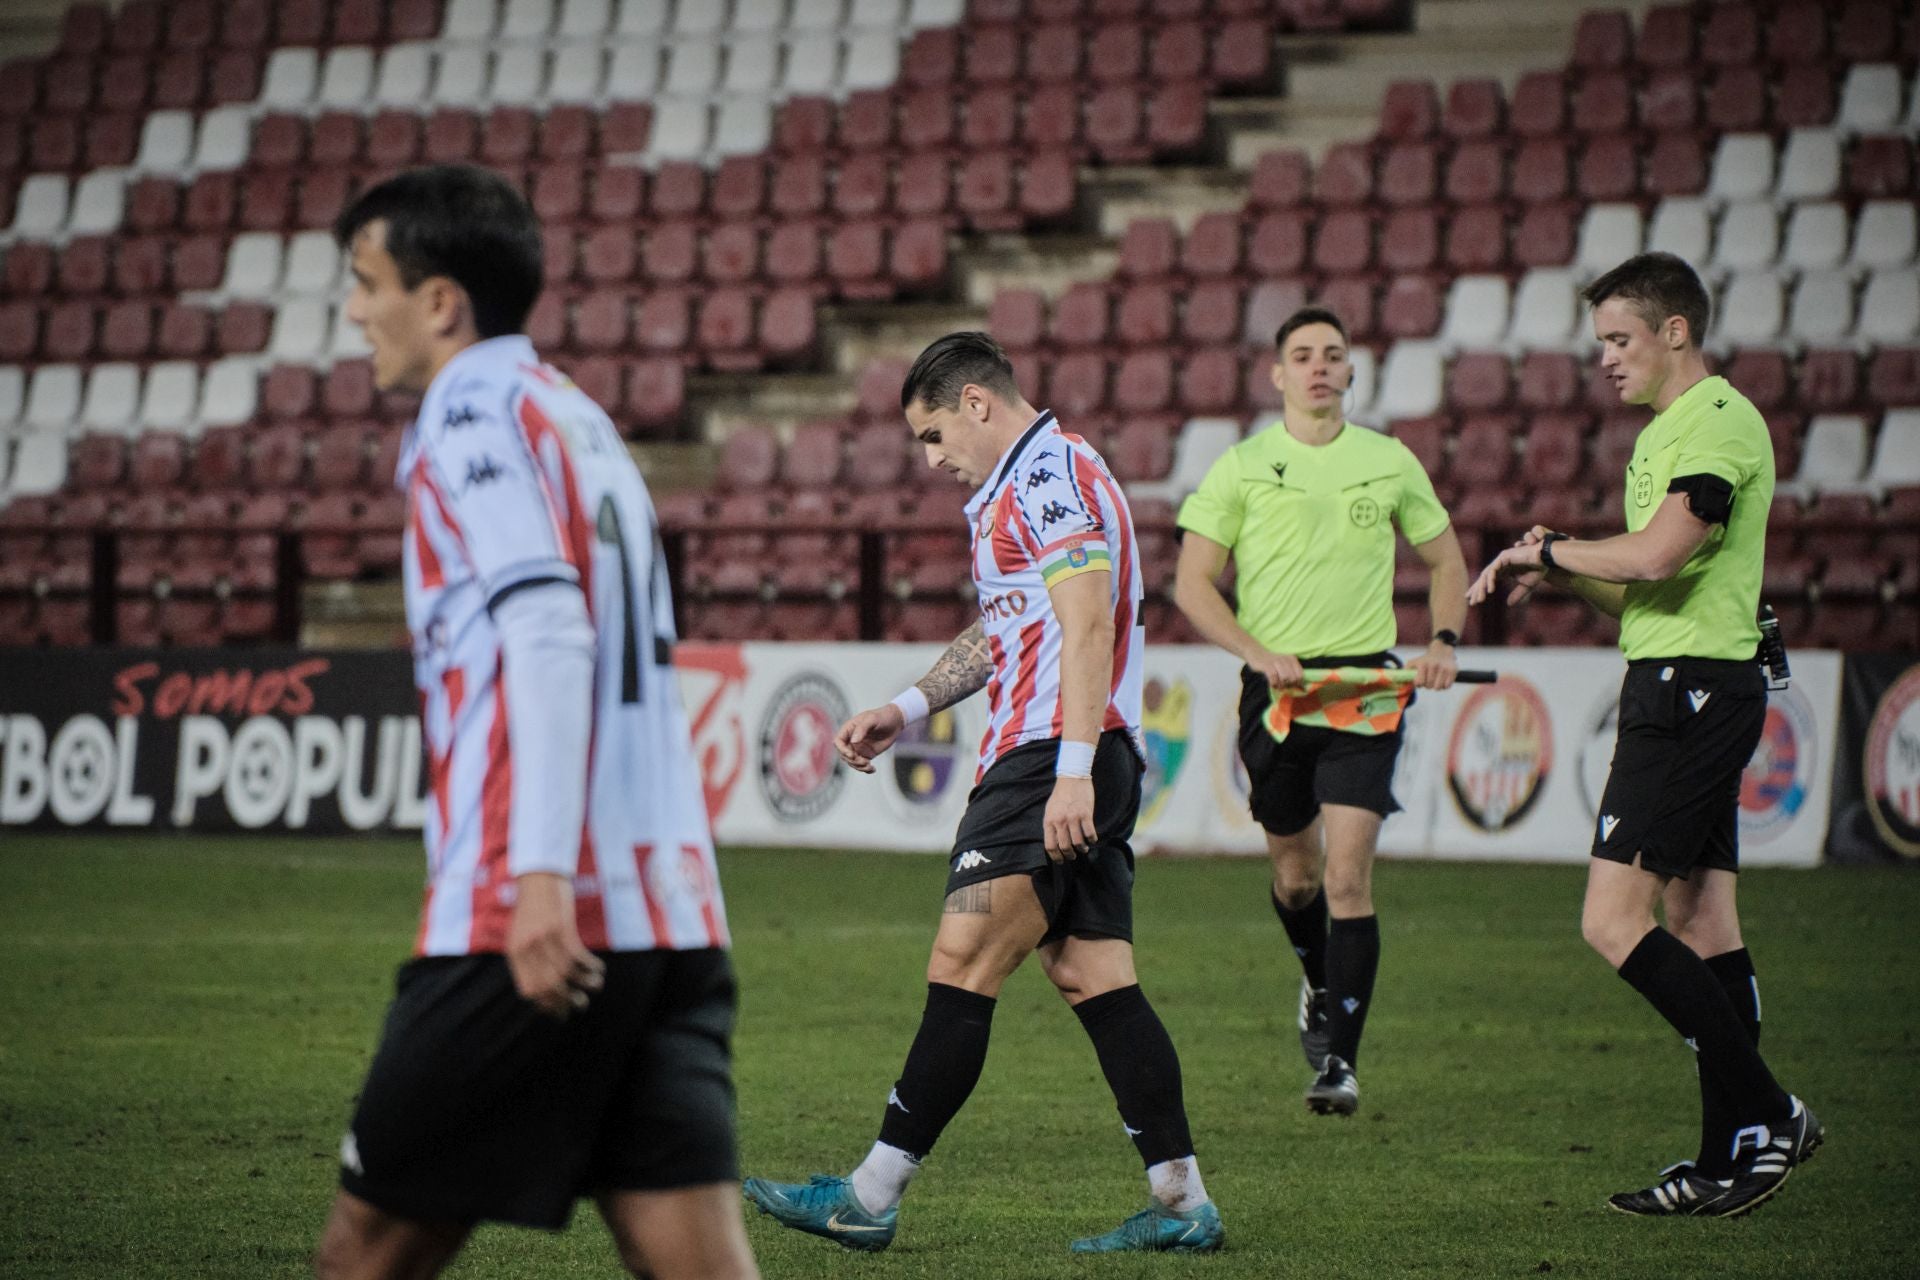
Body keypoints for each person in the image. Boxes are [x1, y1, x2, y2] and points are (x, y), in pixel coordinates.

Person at [312, 165, 758, 1280]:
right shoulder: (575, 413)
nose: (355, 310)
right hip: (670, 911)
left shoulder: (468, 412)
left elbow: (550, 631)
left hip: (531, 909)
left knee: (362, 1253)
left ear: (442, 301)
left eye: (368, 283)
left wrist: (541, 876)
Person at [741, 332, 1223, 1255]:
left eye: (932, 435)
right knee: (1091, 973)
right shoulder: (1028, 484)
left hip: (1050, 756)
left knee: (963, 959)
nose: (932, 460)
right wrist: (911, 703)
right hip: (1076, 750)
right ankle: (1179, 1199)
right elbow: (1016, 623)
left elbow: (1085, 626)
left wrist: (1072, 771)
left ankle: (868, 1196)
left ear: (975, 403)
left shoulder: (1047, 474)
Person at [1468, 251, 1821, 1217]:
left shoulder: (1718, 421)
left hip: (1693, 693)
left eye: (1620, 340)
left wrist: (1555, 548)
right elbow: (1646, 584)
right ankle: (1728, 1157)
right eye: (1600, 346)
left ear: (1676, 332)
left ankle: (1771, 1113)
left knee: (1609, 921)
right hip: (1680, 680)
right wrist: (1564, 571)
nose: (1608, 362)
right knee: (1700, 923)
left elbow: (1663, 551)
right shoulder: (1670, 431)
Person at [1172, 306, 1467, 1114]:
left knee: (1346, 876)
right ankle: (1315, 978)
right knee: (1296, 879)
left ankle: (1341, 1062)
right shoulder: (1240, 467)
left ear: (1349, 372)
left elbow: (1447, 560)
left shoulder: (1389, 460)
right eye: (1302, 355)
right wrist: (1253, 650)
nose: (1317, 367)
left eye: (1332, 355)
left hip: (1365, 692)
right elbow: (1192, 585)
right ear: (1277, 375)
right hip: (1277, 697)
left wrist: (1442, 638)